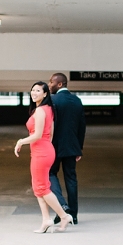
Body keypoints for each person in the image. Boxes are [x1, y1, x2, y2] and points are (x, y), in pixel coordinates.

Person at [14, 81, 74, 233]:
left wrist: (21, 141)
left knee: (42, 188)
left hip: (41, 152)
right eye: (32, 90)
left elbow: (38, 134)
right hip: (45, 150)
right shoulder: (49, 109)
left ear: (45, 94)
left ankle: (64, 216)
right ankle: (46, 220)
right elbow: (51, 134)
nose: (34, 93)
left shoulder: (40, 111)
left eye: (38, 91)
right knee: (38, 187)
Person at [47, 72, 86, 225]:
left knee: (51, 174)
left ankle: (62, 207)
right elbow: (82, 127)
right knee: (71, 179)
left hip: (54, 147)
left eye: (51, 82)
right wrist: (79, 148)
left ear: (60, 84)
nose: (49, 85)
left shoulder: (52, 100)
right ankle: (74, 216)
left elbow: (49, 125)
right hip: (71, 147)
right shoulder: (77, 101)